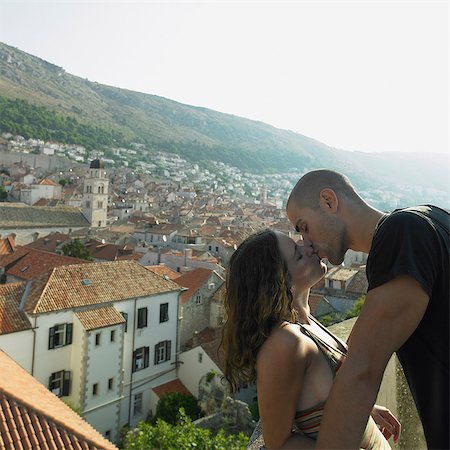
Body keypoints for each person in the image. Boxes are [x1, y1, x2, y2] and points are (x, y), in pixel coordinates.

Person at [286, 169, 449, 449]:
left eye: (303, 227)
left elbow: (362, 370)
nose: (306, 242)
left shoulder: (402, 234)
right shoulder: (432, 216)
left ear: (328, 201)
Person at [221, 229, 400, 449]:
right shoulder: (285, 343)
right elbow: (279, 443)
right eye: (297, 253)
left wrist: (362, 413)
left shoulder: (305, 323)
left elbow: (323, 402)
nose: (309, 248)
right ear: (279, 282)